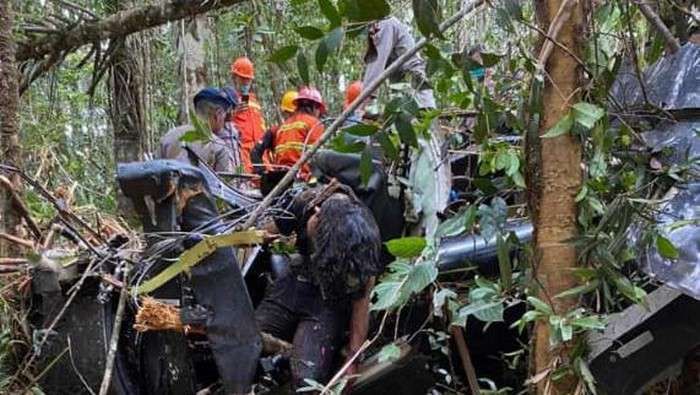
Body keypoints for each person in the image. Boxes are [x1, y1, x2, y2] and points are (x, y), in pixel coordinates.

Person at [256, 181, 382, 390]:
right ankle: (285, 352)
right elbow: (263, 234)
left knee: (306, 381)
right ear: (316, 213)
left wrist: (353, 358)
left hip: (328, 302)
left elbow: (362, 297)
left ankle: (292, 354)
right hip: (293, 285)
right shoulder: (304, 203)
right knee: (246, 345)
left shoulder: (363, 236)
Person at [362, 16, 449, 237]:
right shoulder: (380, 29)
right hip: (406, 110)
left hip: (418, 108)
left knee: (430, 172)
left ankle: (432, 230)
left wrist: (364, 106)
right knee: (405, 174)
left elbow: (375, 70)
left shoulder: (386, 25)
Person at [254, 86, 326, 194]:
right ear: (314, 107)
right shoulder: (315, 124)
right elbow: (318, 159)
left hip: (280, 180)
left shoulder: (283, 126)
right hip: (303, 180)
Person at [158, 87, 241, 172]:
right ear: (218, 114)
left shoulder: (168, 137)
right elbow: (225, 183)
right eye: (224, 115)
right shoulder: (219, 147)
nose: (224, 121)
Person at [228, 56, 267, 174]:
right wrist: (234, 113)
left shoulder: (254, 101)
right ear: (235, 77)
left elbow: (262, 126)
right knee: (246, 180)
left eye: (248, 79)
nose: (246, 82)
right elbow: (218, 124)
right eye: (243, 78)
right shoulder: (228, 98)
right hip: (241, 150)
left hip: (260, 150)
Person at [250, 89, 298, 176]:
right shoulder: (275, 132)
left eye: (295, 114)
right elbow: (255, 152)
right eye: (289, 114)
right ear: (284, 114)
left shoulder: (305, 131)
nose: (292, 118)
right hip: (282, 175)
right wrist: (262, 172)